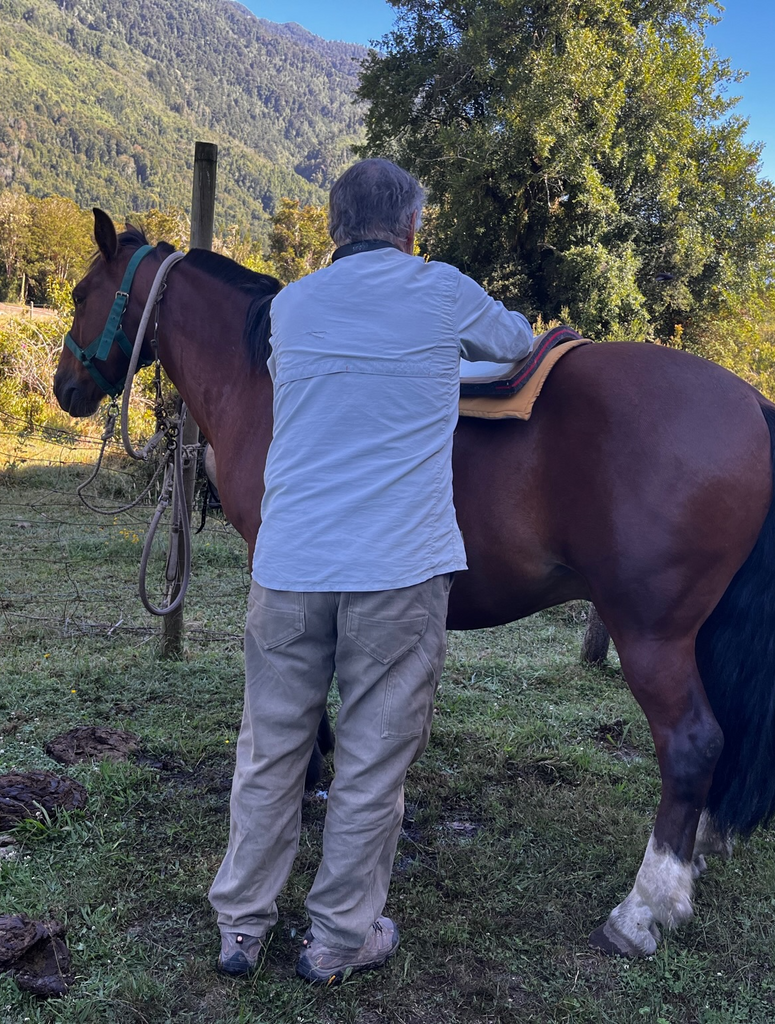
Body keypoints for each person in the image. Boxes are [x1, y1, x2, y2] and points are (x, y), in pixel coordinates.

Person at [208, 159, 533, 983]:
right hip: (397, 569)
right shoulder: (439, 289)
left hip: (288, 566)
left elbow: (319, 384)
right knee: (371, 760)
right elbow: (519, 343)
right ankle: (339, 940)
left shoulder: (291, 305)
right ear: (412, 227)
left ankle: (241, 926)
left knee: (270, 748)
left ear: (331, 227)